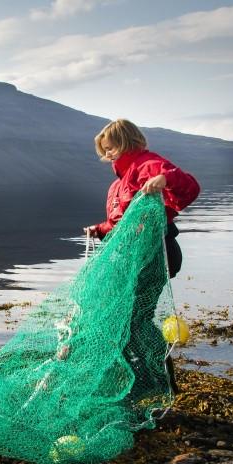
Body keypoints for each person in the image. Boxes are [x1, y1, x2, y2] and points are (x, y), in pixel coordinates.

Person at [84, 119, 200, 394]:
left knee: (136, 319)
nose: (108, 154)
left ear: (126, 141)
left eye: (112, 148)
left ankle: (161, 382)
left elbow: (190, 187)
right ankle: (145, 379)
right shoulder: (118, 185)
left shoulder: (146, 164)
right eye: (105, 150)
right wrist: (98, 230)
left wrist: (164, 179)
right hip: (131, 260)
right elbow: (120, 224)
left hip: (155, 256)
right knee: (127, 319)